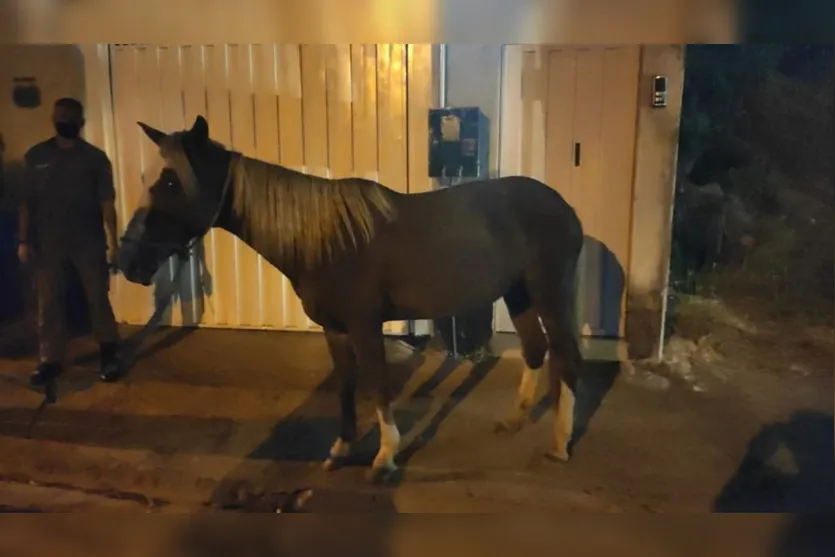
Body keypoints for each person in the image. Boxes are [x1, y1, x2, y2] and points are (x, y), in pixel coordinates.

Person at [17, 97, 123, 385]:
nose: (64, 122)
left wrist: (114, 243)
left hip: (88, 243)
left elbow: (107, 203)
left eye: (70, 117)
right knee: (48, 303)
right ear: (53, 119)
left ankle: (109, 354)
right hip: (47, 245)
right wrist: (24, 241)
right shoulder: (36, 156)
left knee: (97, 300)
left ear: (81, 122)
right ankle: (50, 360)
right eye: (60, 116)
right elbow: (26, 203)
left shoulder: (95, 159)